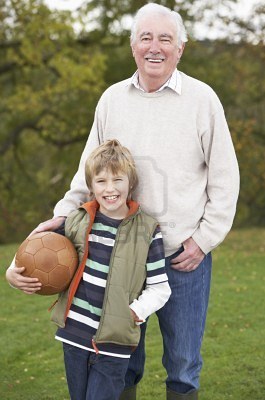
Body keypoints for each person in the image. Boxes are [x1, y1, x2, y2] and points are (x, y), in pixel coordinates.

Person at [6, 3, 240, 399]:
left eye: (165, 38)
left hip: (183, 258)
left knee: (183, 367)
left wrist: (203, 240)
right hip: (120, 258)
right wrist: (54, 223)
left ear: (180, 48)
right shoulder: (113, 99)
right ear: (133, 46)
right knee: (122, 364)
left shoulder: (203, 100)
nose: (155, 47)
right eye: (146, 37)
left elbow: (225, 180)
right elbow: (86, 176)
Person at [7, 139, 171, 400]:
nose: (110, 189)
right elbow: (38, 248)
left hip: (114, 344)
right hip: (74, 336)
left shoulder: (147, 231)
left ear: (131, 183)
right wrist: (12, 271)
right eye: (101, 181)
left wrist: (133, 313)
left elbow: (160, 288)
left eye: (118, 180)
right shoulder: (77, 220)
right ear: (91, 186)